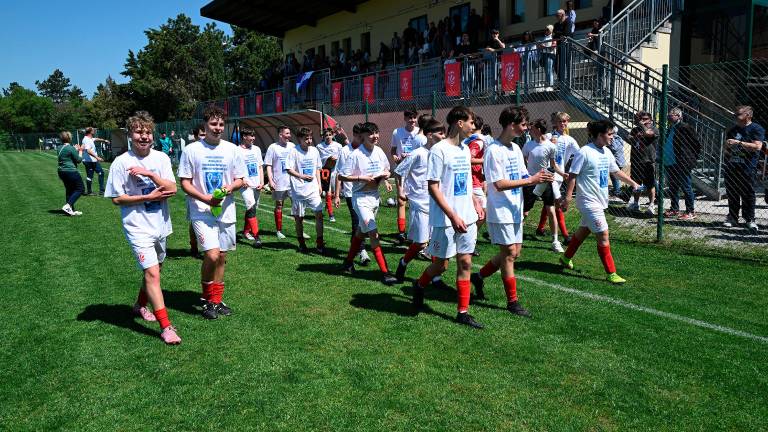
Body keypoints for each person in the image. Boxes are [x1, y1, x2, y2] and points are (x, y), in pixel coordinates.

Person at [103, 111, 181, 345]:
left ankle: (139, 305)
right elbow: (117, 198)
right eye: (139, 132)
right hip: (137, 227)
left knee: (154, 271)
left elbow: (172, 188)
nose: (144, 136)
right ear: (130, 134)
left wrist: (149, 175)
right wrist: (144, 197)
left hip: (160, 225)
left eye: (147, 132)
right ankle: (166, 327)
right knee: (152, 273)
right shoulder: (121, 162)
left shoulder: (161, 159)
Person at [471, 106, 554, 317]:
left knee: (514, 253)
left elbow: (525, 176)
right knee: (508, 255)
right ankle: (512, 302)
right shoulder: (493, 150)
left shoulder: (516, 148)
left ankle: (479, 277)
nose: (526, 129)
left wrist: (541, 177)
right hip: (501, 210)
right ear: (511, 124)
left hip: (515, 208)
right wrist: (531, 179)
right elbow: (498, 184)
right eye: (524, 124)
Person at [411, 106, 485, 329]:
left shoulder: (464, 150)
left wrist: (475, 202)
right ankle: (420, 284)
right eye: (471, 123)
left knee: (465, 261)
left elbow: (465, 182)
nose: (474, 127)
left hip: (467, 217)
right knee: (441, 266)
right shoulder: (439, 150)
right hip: (446, 219)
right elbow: (433, 187)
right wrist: (452, 215)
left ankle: (463, 312)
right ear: (460, 123)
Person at [178, 105, 246, 320]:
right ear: (205, 125)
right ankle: (208, 298)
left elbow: (241, 179)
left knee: (222, 257)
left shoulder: (232, 149)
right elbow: (185, 184)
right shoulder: (191, 150)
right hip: (201, 210)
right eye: (213, 124)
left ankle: (215, 301)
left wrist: (228, 188)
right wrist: (205, 198)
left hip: (225, 210)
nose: (217, 128)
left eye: (220, 124)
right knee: (211, 254)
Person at [559, 120, 642, 284]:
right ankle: (611, 273)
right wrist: (568, 198)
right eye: (610, 134)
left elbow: (616, 171)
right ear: (599, 135)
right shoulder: (584, 152)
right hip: (588, 202)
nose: (612, 137)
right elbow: (572, 175)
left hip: (599, 200)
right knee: (603, 234)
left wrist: (633, 183)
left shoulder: (606, 152)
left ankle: (565, 257)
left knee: (584, 231)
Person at [338, 122, 397, 285]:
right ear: (363, 136)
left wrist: (385, 175)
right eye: (371, 133)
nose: (375, 136)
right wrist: (361, 178)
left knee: (360, 232)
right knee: (373, 234)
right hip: (361, 198)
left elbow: (387, 169)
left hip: (375, 197)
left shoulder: (378, 151)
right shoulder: (356, 155)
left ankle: (348, 263)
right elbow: (341, 176)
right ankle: (385, 273)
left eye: (376, 132)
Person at [394, 119, 445, 282]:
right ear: (430, 135)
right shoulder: (418, 154)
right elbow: (399, 171)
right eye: (440, 133)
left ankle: (436, 278)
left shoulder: (440, 154)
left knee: (435, 241)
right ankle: (403, 262)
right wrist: (401, 190)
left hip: (435, 203)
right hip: (419, 202)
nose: (444, 136)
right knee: (422, 243)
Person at [522, 119, 567, 253]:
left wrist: (563, 174)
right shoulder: (528, 145)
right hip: (531, 182)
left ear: (539, 130)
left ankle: (555, 241)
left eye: (532, 127)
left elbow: (553, 165)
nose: (530, 129)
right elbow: (523, 160)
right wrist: (528, 175)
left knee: (551, 210)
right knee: (524, 211)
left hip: (546, 181)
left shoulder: (551, 146)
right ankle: (514, 235)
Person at [334, 123, 371, 266]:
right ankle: (362, 252)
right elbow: (339, 174)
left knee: (365, 223)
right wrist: (337, 195)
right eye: (361, 137)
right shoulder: (345, 151)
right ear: (355, 135)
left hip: (367, 192)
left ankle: (355, 248)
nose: (363, 139)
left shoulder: (367, 149)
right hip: (351, 193)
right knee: (357, 222)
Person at [723, 105, 765, 231]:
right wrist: (728, 148)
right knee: (732, 193)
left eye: (738, 114)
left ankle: (750, 219)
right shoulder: (733, 130)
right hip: (732, 166)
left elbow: (757, 146)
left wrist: (738, 143)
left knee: (748, 194)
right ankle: (733, 218)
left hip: (747, 166)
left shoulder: (756, 128)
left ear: (748, 115)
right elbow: (726, 149)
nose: (735, 116)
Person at [286, 127, 326, 254]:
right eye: (306, 139)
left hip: (313, 189)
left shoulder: (314, 151)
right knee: (299, 219)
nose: (309, 141)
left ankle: (320, 243)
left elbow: (317, 169)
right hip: (299, 191)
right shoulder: (294, 152)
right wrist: (301, 176)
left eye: (310, 138)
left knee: (319, 214)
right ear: (299, 139)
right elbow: (288, 169)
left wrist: (319, 185)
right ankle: (301, 244)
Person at [537, 112, 575, 243]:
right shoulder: (548, 136)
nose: (563, 124)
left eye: (565, 122)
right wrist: (549, 143)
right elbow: (539, 148)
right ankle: (565, 235)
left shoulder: (569, 139)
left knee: (549, 202)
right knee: (557, 203)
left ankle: (540, 228)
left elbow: (579, 153)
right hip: (550, 174)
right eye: (560, 122)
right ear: (555, 123)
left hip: (560, 175)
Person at [662, 107, 701, 220]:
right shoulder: (670, 128)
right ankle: (674, 209)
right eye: (669, 114)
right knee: (673, 187)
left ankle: (690, 211)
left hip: (682, 163)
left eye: (672, 114)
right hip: (670, 162)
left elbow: (696, 144)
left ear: (679, 116)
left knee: (686, 186)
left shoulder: (685, 127)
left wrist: (690, 158)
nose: (669, 116)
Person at [391, 110, 422, 244]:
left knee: (415, 201)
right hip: (402, 169)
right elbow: (393, 150)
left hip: (415, 171)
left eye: (414, 118)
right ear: (405, 118)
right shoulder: (397, 132)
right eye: (410, 118)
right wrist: (396, 158)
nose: (412, 120)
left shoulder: (420, 132)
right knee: (401, 200)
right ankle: (401, 232)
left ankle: (415, 231)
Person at [265, 126, 297, 240]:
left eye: (289, 133)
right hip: (279, 182)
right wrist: (270, 179)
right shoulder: (273, 147)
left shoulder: (293, 146)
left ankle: (300, 230)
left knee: (297, 206)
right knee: (279, 205)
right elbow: (268, 165)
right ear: (280, 135)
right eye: (287, 133)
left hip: (292, 182)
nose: (289, 136)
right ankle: (279, 230)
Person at [238, 127, 264, 247]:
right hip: (245, 185)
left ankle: (245, 232)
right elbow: (235, 168)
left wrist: (262, 182)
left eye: (254, 136)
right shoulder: (237, 150)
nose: (253, 138)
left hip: (256, 183)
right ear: (244, 137)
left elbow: (260, 166)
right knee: (251, 206)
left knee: (251, 209)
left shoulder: (257, 149)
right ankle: (256, 237)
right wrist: (242, 179)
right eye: (251, 136)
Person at [467, 116, 488, 256]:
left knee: (477, 214)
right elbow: (468, 158)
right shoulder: (478, 142)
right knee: (482, 214)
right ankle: (469, 242)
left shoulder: (477, 140)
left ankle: (468, 241)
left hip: (476, 181)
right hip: (473, 182)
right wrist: (485, 160)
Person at [628, 122, 658, 215]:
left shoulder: (654, 129)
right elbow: (629, 138)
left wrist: (642, 126)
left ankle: (651, 205)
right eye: (641, 119)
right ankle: (636, 203)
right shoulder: (635, 129)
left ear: (650, 120)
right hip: (636, 161)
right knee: (636, 183)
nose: (643, 121)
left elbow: (649, 134)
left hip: (648, 161)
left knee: (650, 184)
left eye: (645, 119)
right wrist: (635, 136)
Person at [317, 128, 343, 222]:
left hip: (335, 171)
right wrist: (328, 159)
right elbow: (319, 160)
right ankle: (331, 215)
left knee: (335, 192)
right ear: (323, 137)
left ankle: (327, 204)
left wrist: (336, 160)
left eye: (329, 135)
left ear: (333, 135)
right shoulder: (319, 146)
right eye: (326, 135)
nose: (328, 137)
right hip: (325, 171)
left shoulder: (338, 146)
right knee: (328, 192)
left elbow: (342, 158)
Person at [57, 131, 85, 216]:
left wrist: (75, 150)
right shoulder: (71, 148)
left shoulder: (59, 147)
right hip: (70, 171)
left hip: (61, 171)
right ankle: (68, 205)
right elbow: (78, 160)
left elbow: (67, 155)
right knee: (80, 189)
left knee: (69, 190)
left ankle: (70, 210)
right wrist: (80, 150)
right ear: (69, 138)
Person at [188, 124, 206, 256]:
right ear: (195, 136)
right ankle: (193, 244)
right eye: (202, 135)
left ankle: (211, 250)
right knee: (195, 221)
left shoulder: (213, 149)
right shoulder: (190, 150)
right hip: (195, 194)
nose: (204, 137)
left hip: (212, 193)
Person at [81, 127, 108, 196]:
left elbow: (96, 139)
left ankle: (92, 191)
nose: (94, 131)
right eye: (93, 130)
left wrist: (104, 140)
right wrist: (97, 157)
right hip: (90, 161)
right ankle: (99, 191)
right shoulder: (86, 140)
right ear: (90, 132)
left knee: (95, 174)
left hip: (91, 161)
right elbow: (88, 150)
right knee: (99, 173)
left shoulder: (90, 139)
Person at [539, 25, 556, 90]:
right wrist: (540, 46)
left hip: (550, 54)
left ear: (551, 30)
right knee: (546, 71)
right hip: (544, 54)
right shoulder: (545, 37)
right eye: (545, 29)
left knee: (549, 70)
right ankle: (547, 85)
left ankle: (550, 85)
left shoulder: (553, 37)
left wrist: (544, 47)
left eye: (547, 29)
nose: (546, 31)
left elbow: (553, 46)